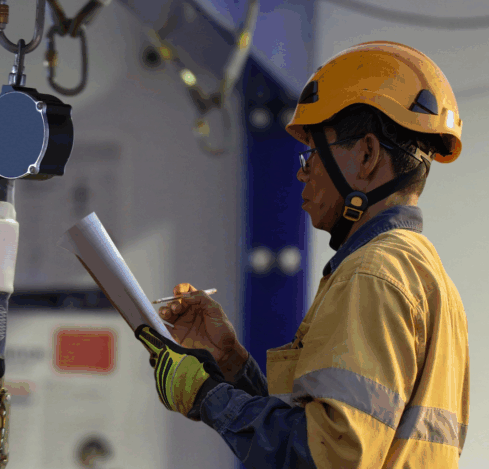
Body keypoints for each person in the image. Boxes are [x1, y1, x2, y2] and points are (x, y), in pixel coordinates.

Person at [134, 41, 470, 468]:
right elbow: (332, 436)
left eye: (313, 152)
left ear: (366, 155)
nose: (301, 171)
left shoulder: (373, 273)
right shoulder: (424, 274)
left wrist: (206, 395)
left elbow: (327, 457)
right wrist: (233, 365)